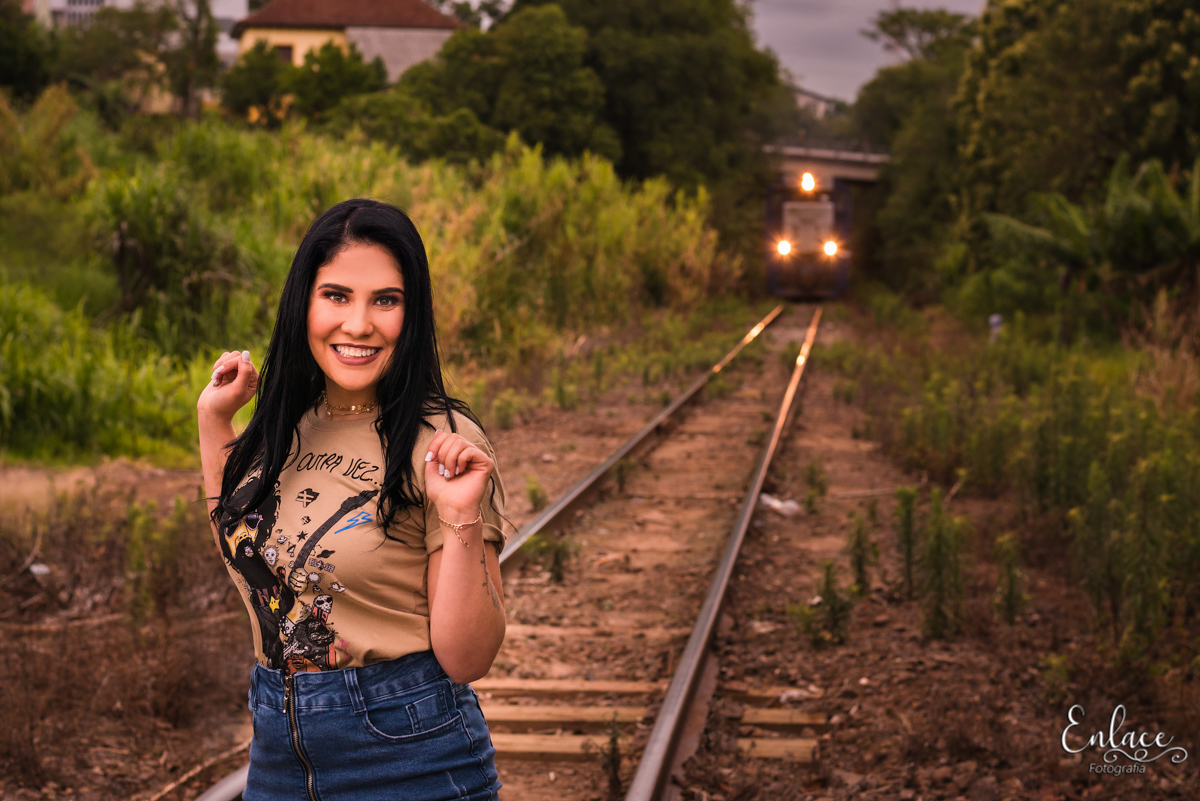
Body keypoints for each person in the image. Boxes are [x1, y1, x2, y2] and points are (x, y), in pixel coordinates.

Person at [196, 199, 510, 801]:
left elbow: (468, 659)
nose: (359, 324)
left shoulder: (442, 440)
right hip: (278, 751)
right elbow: (248, 557)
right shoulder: (283, 426)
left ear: (412, 314)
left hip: (407, 752)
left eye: (385, 300)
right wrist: (215, 426)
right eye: (337, 296)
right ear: (304, 304)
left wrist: (461, 516)